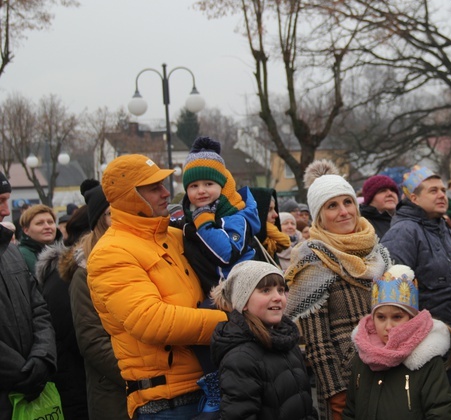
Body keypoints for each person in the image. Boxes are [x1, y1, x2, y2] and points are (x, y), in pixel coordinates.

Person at [87, 154, 228, 419]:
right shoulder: (110, 252)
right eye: (154, 188)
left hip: (211, 384)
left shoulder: (174, 236)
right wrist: (230, 322)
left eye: (163, 184)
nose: (166, 193)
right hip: (167, 403)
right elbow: (152, 321)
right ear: (130, 196)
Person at [284, 159, 391, 420]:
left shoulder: (378, 253)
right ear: (319, 216)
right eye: (332, 206)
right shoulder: (312, 258)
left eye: (348, 202)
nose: (344, 211)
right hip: (348, 379)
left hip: (391, 371)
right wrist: (337, 395)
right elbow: (317, 343)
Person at [380, 166, 451, 389]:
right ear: (414, 198)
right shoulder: (403, 233)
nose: (442, 195)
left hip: (449, 346)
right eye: (433, 191)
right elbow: (396, 299)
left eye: (443, 189)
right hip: (421, 351)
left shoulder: (446, 231)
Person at [343, 265, 451, 419]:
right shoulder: (362, 357)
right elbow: (350, 410)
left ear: (411, 318)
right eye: (381, 317)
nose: (388, 327)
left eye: (397, 317)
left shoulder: (427, 362)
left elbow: (440, 413)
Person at [210, 260, 317, 419]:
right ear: (243, 302)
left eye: (281, 290)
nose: (278, 297)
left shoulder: (287, 342)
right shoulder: (241, 358)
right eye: (266, 290)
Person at [64, 180, 128, 419]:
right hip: (114, 391)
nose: (120, 218)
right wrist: (139, 374)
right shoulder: (85, 271)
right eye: (112, 213)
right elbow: (92, 341)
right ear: (99, 220)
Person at [0, 172, 57, 420]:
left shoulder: (10, 253)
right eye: (0, 200)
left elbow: (40, 310)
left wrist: (43, 357)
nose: (5, 210)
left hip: (29, 389)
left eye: (7, 200)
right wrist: (21, 373)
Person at [181, 136, 261, 297]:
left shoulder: (236, 217)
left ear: (223, 186)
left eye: (208, 184)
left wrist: (204, 223)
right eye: (194, 186)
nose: (201, 190)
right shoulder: (192, 217)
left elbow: (226, 255)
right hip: (213, 293)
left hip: (239, 294)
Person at [35, 205, 92, 419]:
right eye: (39, 222)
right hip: (76, 386)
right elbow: (77, 337)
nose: (47, 227)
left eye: (49, 221)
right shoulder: (65, 277)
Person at [18, 204, 62, 272]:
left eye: (50, 222)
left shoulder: (66, 251)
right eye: (40, 223)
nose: (47, 227)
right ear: (26, 231)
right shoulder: (20, 256)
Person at [359, 174, 399, 239]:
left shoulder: (406, 220)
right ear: (370, 199)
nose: (390, 193)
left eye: (393, 190)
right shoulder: (363, 226)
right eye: (382, 191)